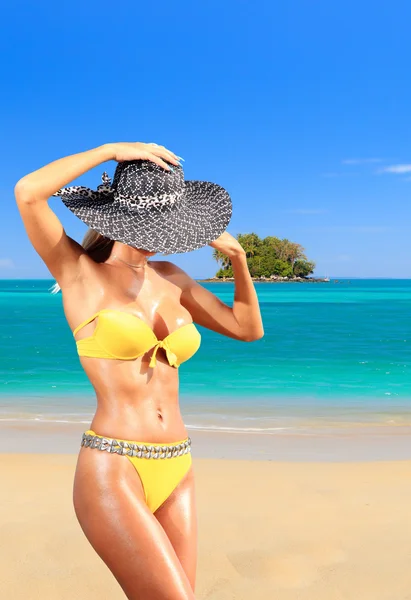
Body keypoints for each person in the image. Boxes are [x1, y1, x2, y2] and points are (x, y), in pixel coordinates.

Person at [15, 141, 264, 600]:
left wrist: (239, 261)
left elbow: (246, 329)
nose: (158, 234)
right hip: (114, 466)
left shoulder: (172, 278)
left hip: (179, 464)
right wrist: (113, 150)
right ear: (119, 216)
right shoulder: (78, 273)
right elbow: (29, 191)